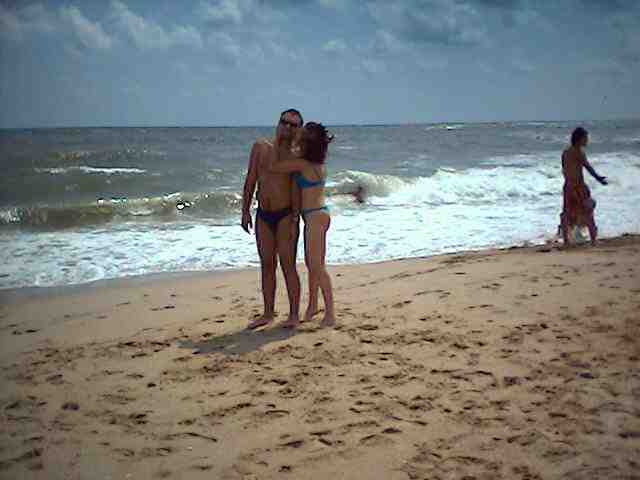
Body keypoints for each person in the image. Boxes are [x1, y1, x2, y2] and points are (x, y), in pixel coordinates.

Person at [266, 122, 336, 328]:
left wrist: (278, 139)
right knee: (313, 264)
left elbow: (274, 166)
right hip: (318, 214)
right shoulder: (316, 163)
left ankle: (330, 314)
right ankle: (312, 306)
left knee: (317, 266)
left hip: (314, 216)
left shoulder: (304, 165)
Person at [241, 109, 303, 329]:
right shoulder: (261, 147)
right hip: (263, 215)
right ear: (278, 123)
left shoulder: (296, 155)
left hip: (286, 215)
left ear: (298, 130)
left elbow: (297, 189)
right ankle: (268, 313)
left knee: (288, 265)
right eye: (284, 122)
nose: (287, 127)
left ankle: (294, 314)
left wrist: (295, 219)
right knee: (267, 264)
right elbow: (251, 179)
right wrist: (245, 210)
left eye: (293, 125)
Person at [560, 127, 608, 247]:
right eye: (585, 138)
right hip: (578, 186)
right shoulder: (578, 152)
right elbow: (588, 167)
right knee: (588, 212)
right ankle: (593, 241)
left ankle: (566, 241)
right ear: (579, 139)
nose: (587, 140)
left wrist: (569, 183)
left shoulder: (565, 152)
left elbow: (564, 170)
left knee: (566, 213)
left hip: (568, 186)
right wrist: (599, 178)